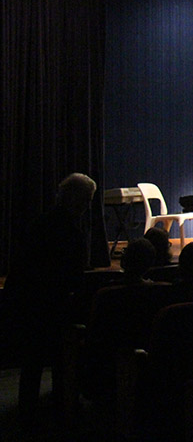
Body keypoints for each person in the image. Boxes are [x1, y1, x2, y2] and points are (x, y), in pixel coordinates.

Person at [5, 173, 96, 419]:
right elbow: (73, 275)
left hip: (29, 298)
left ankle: (27, 409)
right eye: (86, 200)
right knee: (59, 357)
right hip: (53, 303)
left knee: (32, 361)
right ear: (76, 199)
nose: (87, 206)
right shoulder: (72, 232)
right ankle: (60, 405)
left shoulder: (40, 223)